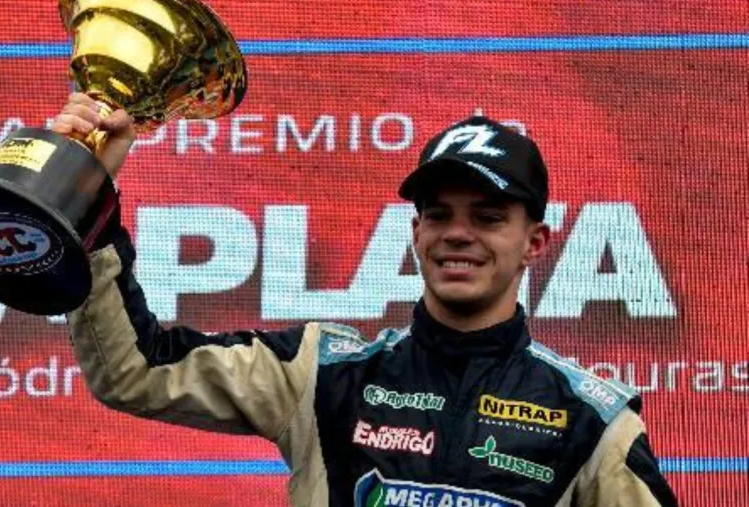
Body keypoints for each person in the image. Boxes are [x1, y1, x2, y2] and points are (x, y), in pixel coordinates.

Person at [54, 92, 678, 507]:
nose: (458, 234)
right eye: (439, 215)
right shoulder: (322, 371)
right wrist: (86, 192)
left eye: (488, 217)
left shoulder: (592, 419)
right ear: (416, 232)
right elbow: (135, 369)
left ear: (534, 243)